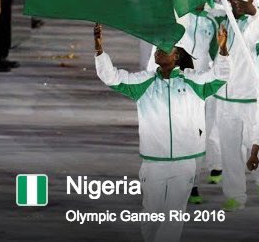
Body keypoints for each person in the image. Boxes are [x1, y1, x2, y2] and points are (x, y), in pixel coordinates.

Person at [94, 23, 230, 242]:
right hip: (153, 162)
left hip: (184, 162)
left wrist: (222, 50)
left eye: (164, 49)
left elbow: (220, 76)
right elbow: (111, 77)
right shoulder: (143, 83)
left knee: (174, 217)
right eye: (157, 49)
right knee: (151, 216)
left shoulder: (193, 82)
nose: (157, 51)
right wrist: (100, 52)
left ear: (176, 56)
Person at [212, 0, 259, 212]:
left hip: (252, 100)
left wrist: (254, 12)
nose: (239, 3)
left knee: (258, 149)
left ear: (252, 0)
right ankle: (234, 195)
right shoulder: (221, 20)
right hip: (225, 99)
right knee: (230, 150)